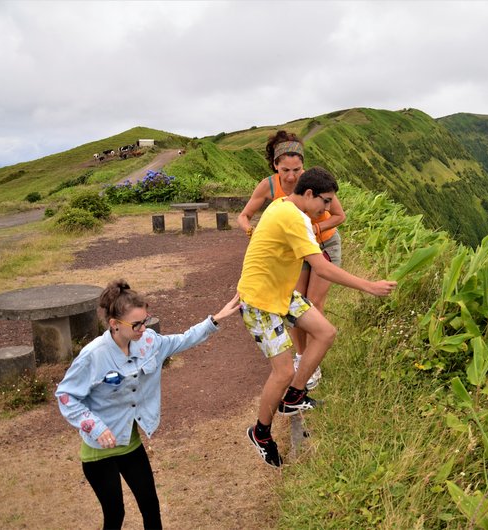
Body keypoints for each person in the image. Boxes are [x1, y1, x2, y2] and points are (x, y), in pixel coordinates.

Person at [238, 166, 396, 467]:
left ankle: (294, 397)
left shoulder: (284, 206)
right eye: (325, 201)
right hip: (260, 301)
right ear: (308, 194)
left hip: (281, 293)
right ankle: (261, 433)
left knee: (325, 332)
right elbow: (321, 267)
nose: (328, 208)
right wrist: (369, 286)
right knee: (282, 372)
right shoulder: (294, 218)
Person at [55, 280, 241, 530]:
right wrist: (96, 427)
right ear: (114, 324)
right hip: (99, 453)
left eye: (145, 320)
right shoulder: (94, 355)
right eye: (136, 324)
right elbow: (66, 396)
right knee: (115, 515)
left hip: (130, 445)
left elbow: (182, 340)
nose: (144, 328)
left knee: (151, 509)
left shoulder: (149, 341)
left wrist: (215, 320)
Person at [237, 131, 346, 389]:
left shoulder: (311, 183)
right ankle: (302, 355)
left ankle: (313, 363)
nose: (291, 175)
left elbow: (339, 215)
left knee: (315, 302)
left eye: (297, 168)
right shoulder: (269, 186)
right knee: (296, 302)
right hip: (293, 251)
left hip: (324, 244)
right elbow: (244, 215)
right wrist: (252, 231)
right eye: (285, 169)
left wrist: (312, 229)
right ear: (275, 165)